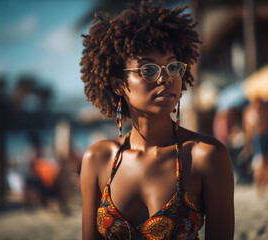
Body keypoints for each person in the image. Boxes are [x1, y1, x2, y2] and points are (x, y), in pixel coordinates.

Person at [80, 1, 234, 239]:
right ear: (119, 84)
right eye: (149, 70)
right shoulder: (98, 160)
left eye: (173, 67)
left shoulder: (205, 156)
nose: (166, 78)